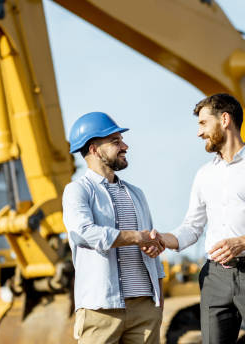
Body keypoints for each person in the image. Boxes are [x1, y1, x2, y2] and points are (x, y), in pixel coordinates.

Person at [159, 93, 245, 343]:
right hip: (214, 278)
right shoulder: (204, 175)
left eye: (203, 123)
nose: (199, 133)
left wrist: (243, 242)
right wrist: (164, 239)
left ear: (224, 119)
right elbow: (192, 227)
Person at [62, 112, 166, 344]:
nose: (125, 146)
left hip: (145, 308)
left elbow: (153, 252)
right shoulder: (77, 191)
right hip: (101, 309)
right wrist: (137, 237)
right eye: (116, 142)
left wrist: (158, 304)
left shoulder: (136, 194)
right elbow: (84, 233)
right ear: (94, 149)